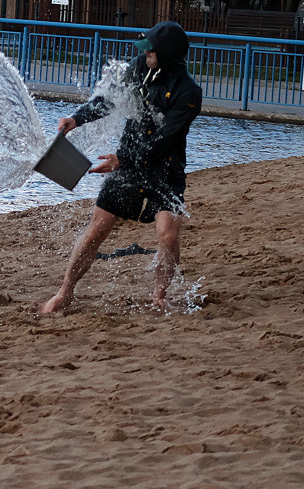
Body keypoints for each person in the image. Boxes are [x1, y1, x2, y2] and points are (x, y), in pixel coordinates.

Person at [39, 21, 203, 313]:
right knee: (95, 232)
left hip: (166, 170)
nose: (145, 53)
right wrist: (77, 118)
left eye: (151, 49)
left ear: (167, 54)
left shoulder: (189, 92)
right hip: (126, 165)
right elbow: (111, 100)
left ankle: (159, 295)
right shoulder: (140, 67)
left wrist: (121, 159)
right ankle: (65, 292)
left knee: (168, 234)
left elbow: (165, 140)